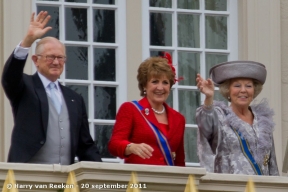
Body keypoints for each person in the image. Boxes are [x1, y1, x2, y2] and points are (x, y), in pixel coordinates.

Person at [1, 11, 102, 165]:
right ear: (36, 60)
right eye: (50, 57)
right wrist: (27, 42)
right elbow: (10, 76)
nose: (56, 62)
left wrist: (100, 173)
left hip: (65, 178)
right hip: (27, 173)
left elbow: (85, 144)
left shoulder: (74, 98)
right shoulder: (25, 86)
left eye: (60, 57)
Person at [196, 60, 279, 175]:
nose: (243, 90)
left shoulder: (263, 121)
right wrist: (209, 98)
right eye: (237, 85)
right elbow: (205, 125)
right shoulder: (220, 116)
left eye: (248, 86)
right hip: (231, 187)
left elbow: (272, 164)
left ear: (254, 90)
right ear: (227, 90)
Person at [108, 52, 185, 166]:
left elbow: (179, 161)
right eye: (155, 82)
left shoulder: (179, 119)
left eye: (165, 82)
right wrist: (131, 147)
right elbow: (114, 145)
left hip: (167, 181)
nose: (160, 87)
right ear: (144, 85)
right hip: (138, 179)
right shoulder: (130, 109)